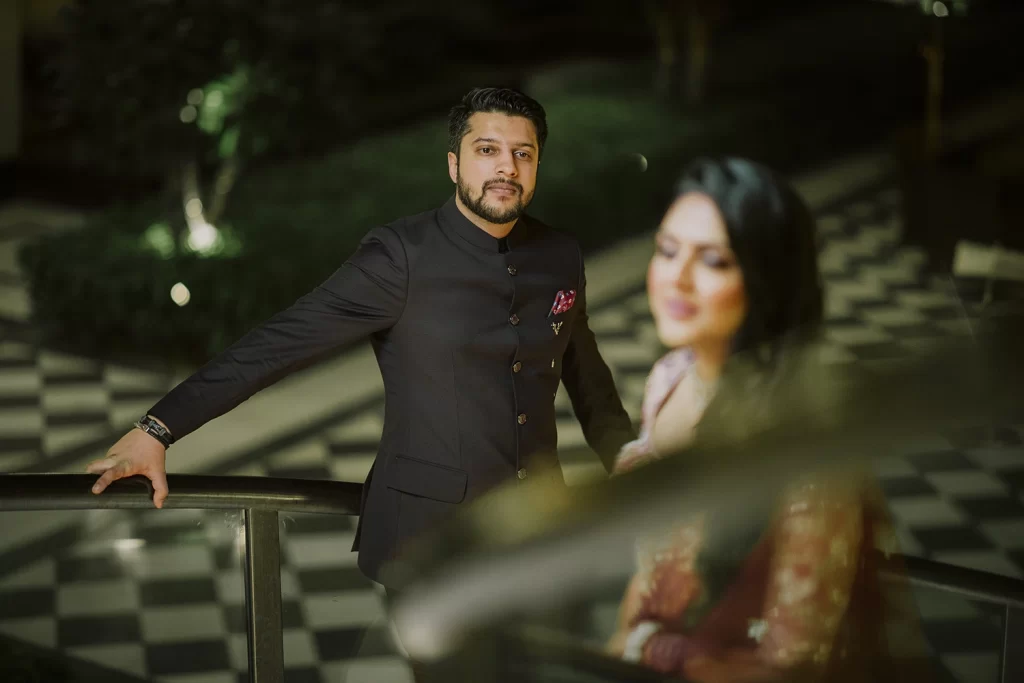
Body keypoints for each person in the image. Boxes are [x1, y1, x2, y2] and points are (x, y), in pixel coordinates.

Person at [87, 87, 636, 591]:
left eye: (522, 153)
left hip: (536, 530)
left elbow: (587, 376)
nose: (505, 167)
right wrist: (158, 429)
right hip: (427, 538)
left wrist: (629, 458)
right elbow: (279, 343)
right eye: (487, 150)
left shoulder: (560, 255)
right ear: (454, 164)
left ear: (538, 164)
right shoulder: (400, 255)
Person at [606, 158, 935, 682]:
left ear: (765, 279)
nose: (677, 278)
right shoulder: (667, 379)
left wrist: (656, 656)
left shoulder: (802, 437)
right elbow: (647, 578)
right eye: (667, 251)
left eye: (713, 261)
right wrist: (624, 648)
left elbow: (794, 660)